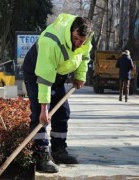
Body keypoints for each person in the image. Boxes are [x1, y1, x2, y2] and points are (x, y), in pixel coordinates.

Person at [22, 13, 93, 173]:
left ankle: (58, 150)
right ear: (71, 31)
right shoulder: (51, 42)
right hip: (37, 72)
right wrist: (44, 108)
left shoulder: (86, 38)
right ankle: (41, 155)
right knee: (39, 116)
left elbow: (85, 56)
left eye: (81, 41)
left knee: (62, 111)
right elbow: (45, 78)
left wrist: (80, 75)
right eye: (75, 39)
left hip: (59, 72)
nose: (77, 44)